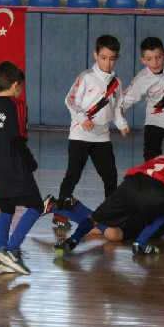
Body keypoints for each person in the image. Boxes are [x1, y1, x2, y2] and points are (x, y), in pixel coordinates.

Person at [46, 154, 164, 254]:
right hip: (140, 217)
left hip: (147, 223)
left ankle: (64, 206)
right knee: (111, 234)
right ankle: (60, 207)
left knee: (96, 231)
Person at [0, 61, 49, 276]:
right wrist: (30, 162)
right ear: (16, 85)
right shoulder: (17, 106)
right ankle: (10, 249)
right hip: (14, 165)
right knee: (36, 205)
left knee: (6, 208)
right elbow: (18, 139)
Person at [53, 34, 130, 229]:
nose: (108, 62)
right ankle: (61, 213)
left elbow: (117, 107)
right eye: (103, 58)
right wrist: (81, 118)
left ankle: (110, 214)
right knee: (73, 174)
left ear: (117, 58)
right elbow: (70, 100)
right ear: (96, 55)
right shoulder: (86, 77)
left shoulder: (117, 82)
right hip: (80, 135)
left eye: (112, 58)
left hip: (102, 137)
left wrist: (121, 124)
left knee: (110, 175)